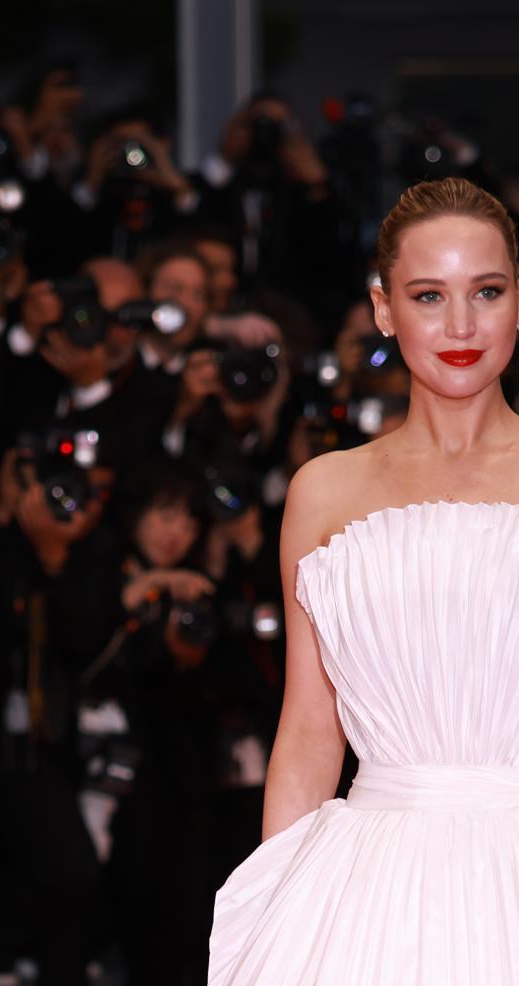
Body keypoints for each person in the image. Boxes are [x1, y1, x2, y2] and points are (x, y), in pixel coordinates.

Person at [208, 176, 519, 984]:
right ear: (383, 309)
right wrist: (270, 904)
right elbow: (311, 731)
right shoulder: (323, 490)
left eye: (485, 291)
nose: (460, 325)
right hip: (366, 892)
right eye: (427, 295)